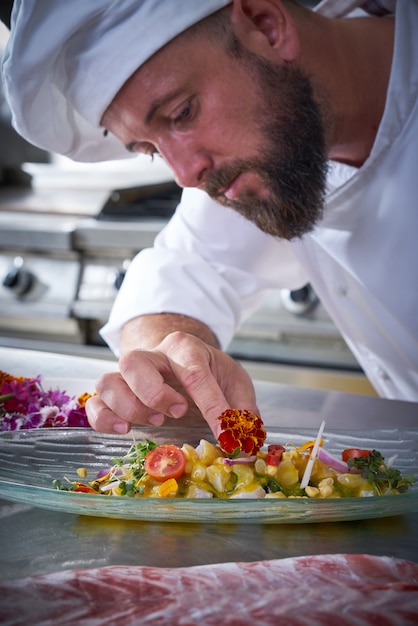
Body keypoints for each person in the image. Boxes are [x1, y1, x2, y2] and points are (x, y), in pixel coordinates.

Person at [3, 0, 417, 439]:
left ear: (266, 24)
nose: (186, 174)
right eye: (152, 150)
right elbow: (185, 271)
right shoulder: (269, 142)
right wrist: (171, 362)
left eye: (182, 113)